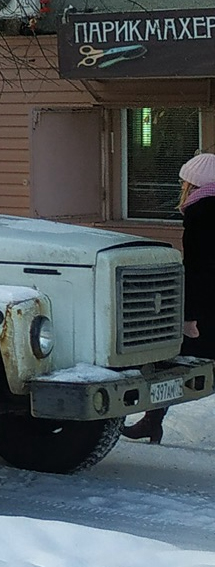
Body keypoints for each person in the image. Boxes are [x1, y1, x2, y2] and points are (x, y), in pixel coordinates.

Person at [122, 151, 215, 444]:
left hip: (207, 308)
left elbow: (200, 269)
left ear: (193, 184)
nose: (181, 187)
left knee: (165, 360)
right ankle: (152, 421)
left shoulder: (202, 214)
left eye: (183, 182)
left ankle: (152, 421)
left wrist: (189, 317)